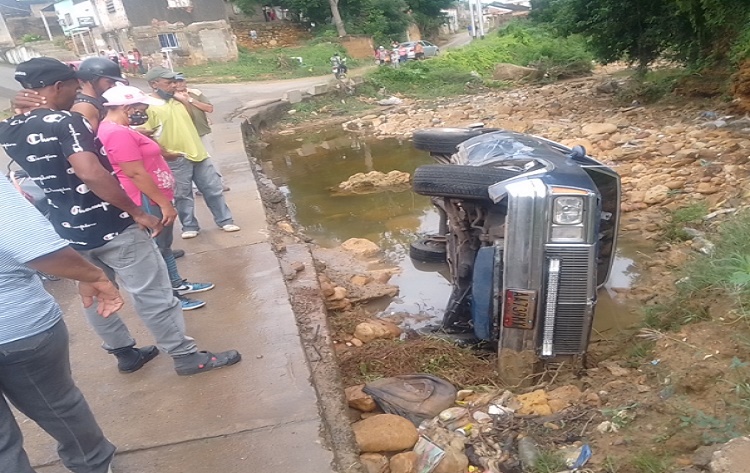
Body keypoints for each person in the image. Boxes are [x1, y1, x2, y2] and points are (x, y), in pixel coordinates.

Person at [0, 57, 241, 376]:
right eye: (73, 85)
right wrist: (137, 211)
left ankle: (125, 353)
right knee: (152, 293)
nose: (78, 90)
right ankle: (185, 357)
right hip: (110, 225)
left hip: (67, 231)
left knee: (96, 291)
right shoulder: (66, 121)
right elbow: (91, 173)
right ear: (58, 86)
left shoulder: (10, 129)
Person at [0, 175, 122, 473]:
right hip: (18, 327)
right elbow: (29, 243)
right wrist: (94, 277)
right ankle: (92, 464)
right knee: (57, 405)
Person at [98, 85, 213, 311]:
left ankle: (176, 284)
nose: (144, 112)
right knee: (156, 250)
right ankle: (169, 297)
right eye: (141, 107)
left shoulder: (119, 129)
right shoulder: (117, 133)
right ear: (126, 107)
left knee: (164, 246)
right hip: (146, 199)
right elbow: (135, 172)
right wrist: (163, 204)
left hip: (154, 195)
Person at [143, 67, 240, 239]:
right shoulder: (147, 106)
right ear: (154, 84)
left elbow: (191, 121)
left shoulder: (178, 100)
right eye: (168, 83)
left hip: (198, 152)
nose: (174, 86)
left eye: (174, 82)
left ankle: (225, 220)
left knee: (213, 189)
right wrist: (166, 154)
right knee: (182, 195)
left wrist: (186, 102)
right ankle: (189, 225)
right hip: (176, 157)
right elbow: (146, 135)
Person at [174, 73, 229, 191]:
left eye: (181, 81)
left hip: (202, 131)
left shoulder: (195, 93)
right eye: (176, 82)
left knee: (211, 158)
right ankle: (197, 187)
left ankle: (218, 182)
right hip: (185, 135)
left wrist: (190, 100)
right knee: (190, 160)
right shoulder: (171, 97)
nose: (179, 84)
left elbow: (209, 108)